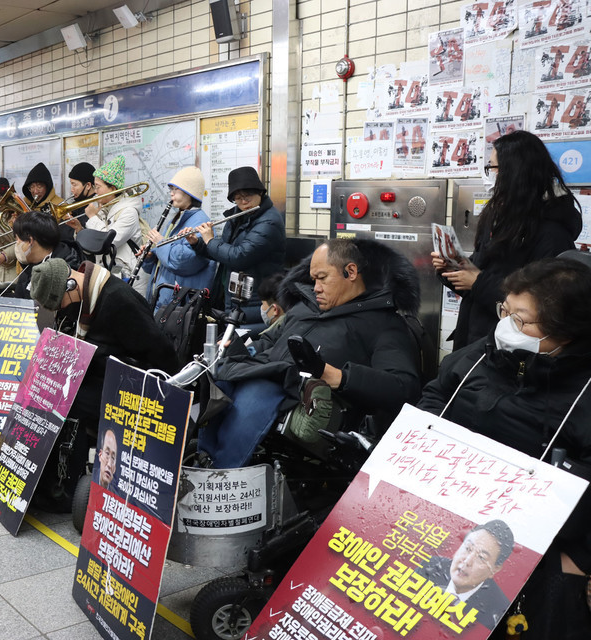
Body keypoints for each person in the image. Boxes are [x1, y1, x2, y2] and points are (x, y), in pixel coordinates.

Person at [418, 257, 591, 639]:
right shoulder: (483, 354)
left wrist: (577, 560)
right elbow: (436, 394)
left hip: (538, 555)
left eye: (521, 320)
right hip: (445, 522)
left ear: (567, 333)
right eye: (505, 311)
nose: (506, 327)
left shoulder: (584, 393)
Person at [200, 239, 422, 468]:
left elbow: (404, 386)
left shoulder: (383, 323)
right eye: (314, 279)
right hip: (263, 375)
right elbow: (270, 341)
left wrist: (338, 376)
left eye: (322, 278)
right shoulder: (305, 306)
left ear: (351, 271)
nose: (316, 287)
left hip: (303, 397)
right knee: (215, 378)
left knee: (256, 392)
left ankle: (221, 474)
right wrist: (239, 349)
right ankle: (202, 462)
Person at [28, 258, 179, 510]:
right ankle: (41, 479)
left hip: (130, 382)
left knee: (70, 403)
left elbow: (161, 354)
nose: (60, 310)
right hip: (97, 372)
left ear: (70, 285)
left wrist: (99, 354)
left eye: (59, 303)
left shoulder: (118, 300)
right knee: (44, 392)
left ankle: (64, 488)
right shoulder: (82, 297)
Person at [432, 130, 582, 350]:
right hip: (472, 338)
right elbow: (476, 276)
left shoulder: (553, 233)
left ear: (515, 172)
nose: (489, 174)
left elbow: (544, 305)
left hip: (509, 349)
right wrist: (451, 268)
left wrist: (478, 282)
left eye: (493, 167)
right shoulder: (499, 217)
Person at [190, 166, 285, 326]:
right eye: (238, 198)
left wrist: (210, 240)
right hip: (233, 297)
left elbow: (238, 256)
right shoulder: (237, 216)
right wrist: (198, 243)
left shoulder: (270, 222)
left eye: (248, 196)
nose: (244, 202)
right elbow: (223, 253)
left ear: (259, 192)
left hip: (255, 301)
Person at [415, 521, 514, 631]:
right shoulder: (430, 566)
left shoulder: (499, 610)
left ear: (495, 569)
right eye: (467, 548)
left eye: (481, 557)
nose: (467, 561)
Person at [141, 166, 215, 310]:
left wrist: (160, 242)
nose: (171, 194)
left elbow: (184, 262)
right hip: (164, 301)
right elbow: (163, 263)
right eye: (171, 189)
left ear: (189, 193)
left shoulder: (200, 222)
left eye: (176, 190)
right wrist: (150, 257)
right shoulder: (175, 220)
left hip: (180, 306)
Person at [72, 155, 143, 278]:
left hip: (129, 276)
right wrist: (79, 230)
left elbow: (108, 242)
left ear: (113, 189)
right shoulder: (104, 209)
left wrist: (92, 217)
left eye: (98, 187)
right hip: (108, 272)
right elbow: (91, 248)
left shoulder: (129, 212)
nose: (95, 191)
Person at [6, 211, 81, 298]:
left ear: (30, 241)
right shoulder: (28, 270)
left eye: (17, 239)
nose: (16, 244)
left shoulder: (67, 271)